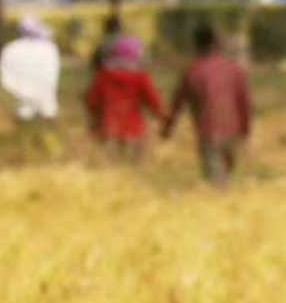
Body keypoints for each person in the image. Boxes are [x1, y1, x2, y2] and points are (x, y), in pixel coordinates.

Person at [164, 23, 252, 186]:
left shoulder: (192, 71)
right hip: (232, 131)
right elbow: (245, 103)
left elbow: (177, 104)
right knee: (226, 177)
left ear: (196, 45)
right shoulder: (233, 69)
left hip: (209, 133)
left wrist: (167, 129)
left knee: (216, 184)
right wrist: (246, 131)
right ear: (217, 43)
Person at [85, 34, 165, 163]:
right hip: (134, 129)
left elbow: (92, 100)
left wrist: (94, 118)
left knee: (111, 164)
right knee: (132, 164)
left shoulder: (103, 75)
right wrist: (160, 114)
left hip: (109, 126)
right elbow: (153, 99)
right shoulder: (140, 77)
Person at [0, 16, 61, 124]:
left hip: (21, 95)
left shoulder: (10, 49)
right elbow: (52, 75)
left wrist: (19, 90)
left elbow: (6, 77)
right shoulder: (49, 48)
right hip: (43, 96)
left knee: (27, 112)